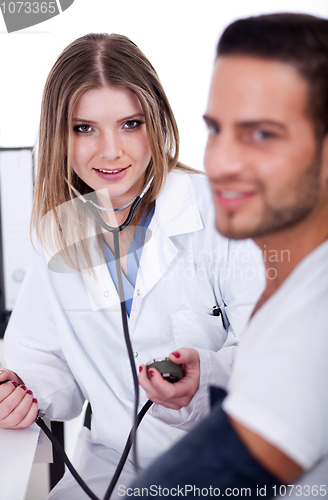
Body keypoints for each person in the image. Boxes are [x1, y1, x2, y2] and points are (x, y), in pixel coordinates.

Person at [0, 34, 264, 499]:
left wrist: (208, 375)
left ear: (156, 123)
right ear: (59, 134)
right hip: (111, 468)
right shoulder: (58, 233)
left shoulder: (226, 216)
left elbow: (282, 360)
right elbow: (44, 359)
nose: (110, 151)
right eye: (84, 128)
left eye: (129, 124)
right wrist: (20, 389)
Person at [126, 13, 328, 498]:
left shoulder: (316, 316)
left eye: (261, 134)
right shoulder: (289, 284)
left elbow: (195, 486)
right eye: (216, 129)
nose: (221, 161)